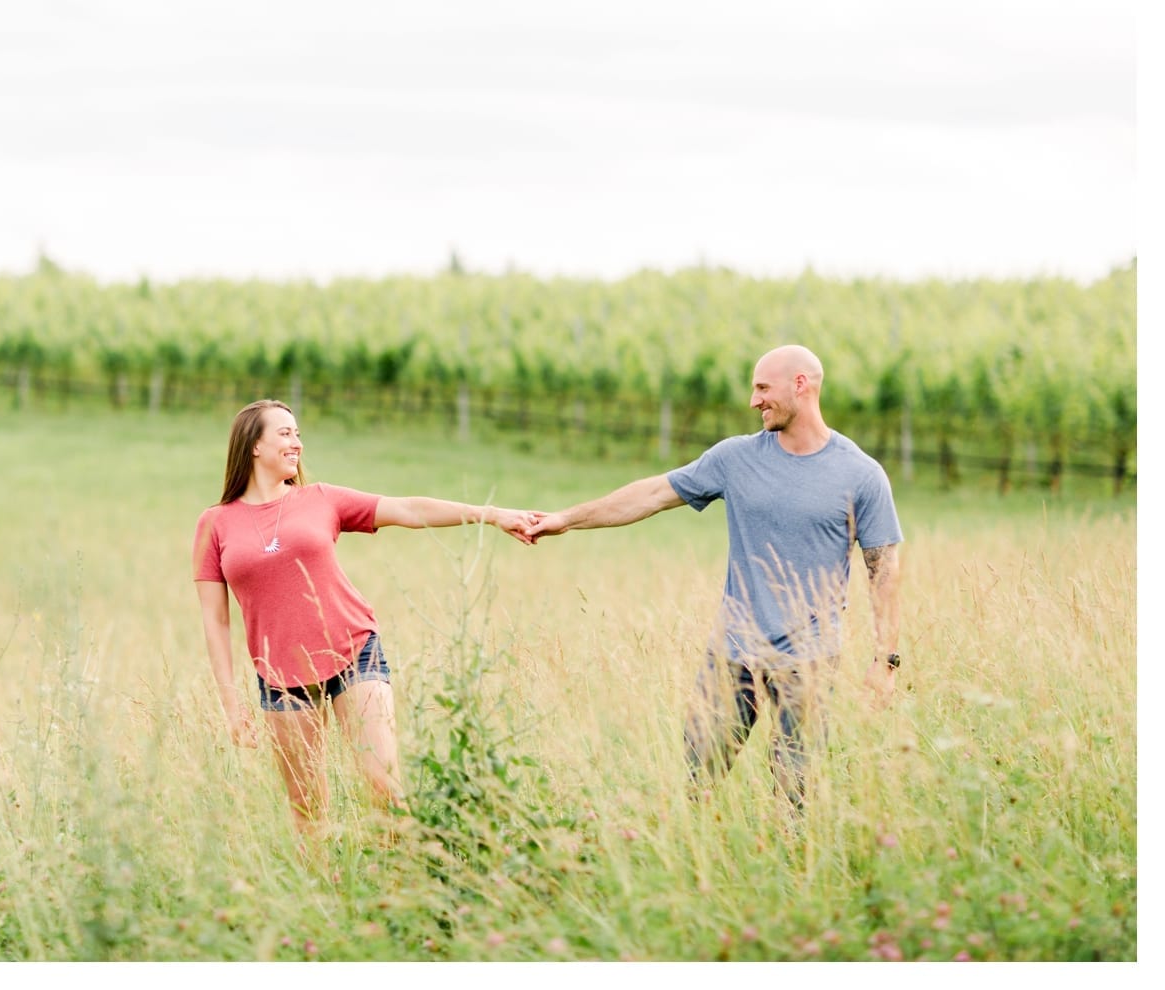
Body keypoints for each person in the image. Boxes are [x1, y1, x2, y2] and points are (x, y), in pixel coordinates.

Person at [526, 345, 903, 811]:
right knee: (695, 780)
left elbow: (883, 569)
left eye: (763, 387)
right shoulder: (735, 459)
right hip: (732, 653)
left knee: (794, 794)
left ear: (800, 385)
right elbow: (651, 494)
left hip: (808, 660)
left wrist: (885, 661)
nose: (754, 400)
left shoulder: (861, 474)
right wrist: (568, 518)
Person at [192, 399, 538, 838]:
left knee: (385, 789)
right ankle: (318, 897)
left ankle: (400, 889)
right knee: (307, 811)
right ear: (253, 444)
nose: (296, 443)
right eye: (285, 433)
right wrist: (231, 707)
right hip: (281, 678)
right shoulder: (215, 524)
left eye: (298, 434)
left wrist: (491, 515)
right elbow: (215, 623)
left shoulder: (320, 499)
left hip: (354, 652)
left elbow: (408, 509)